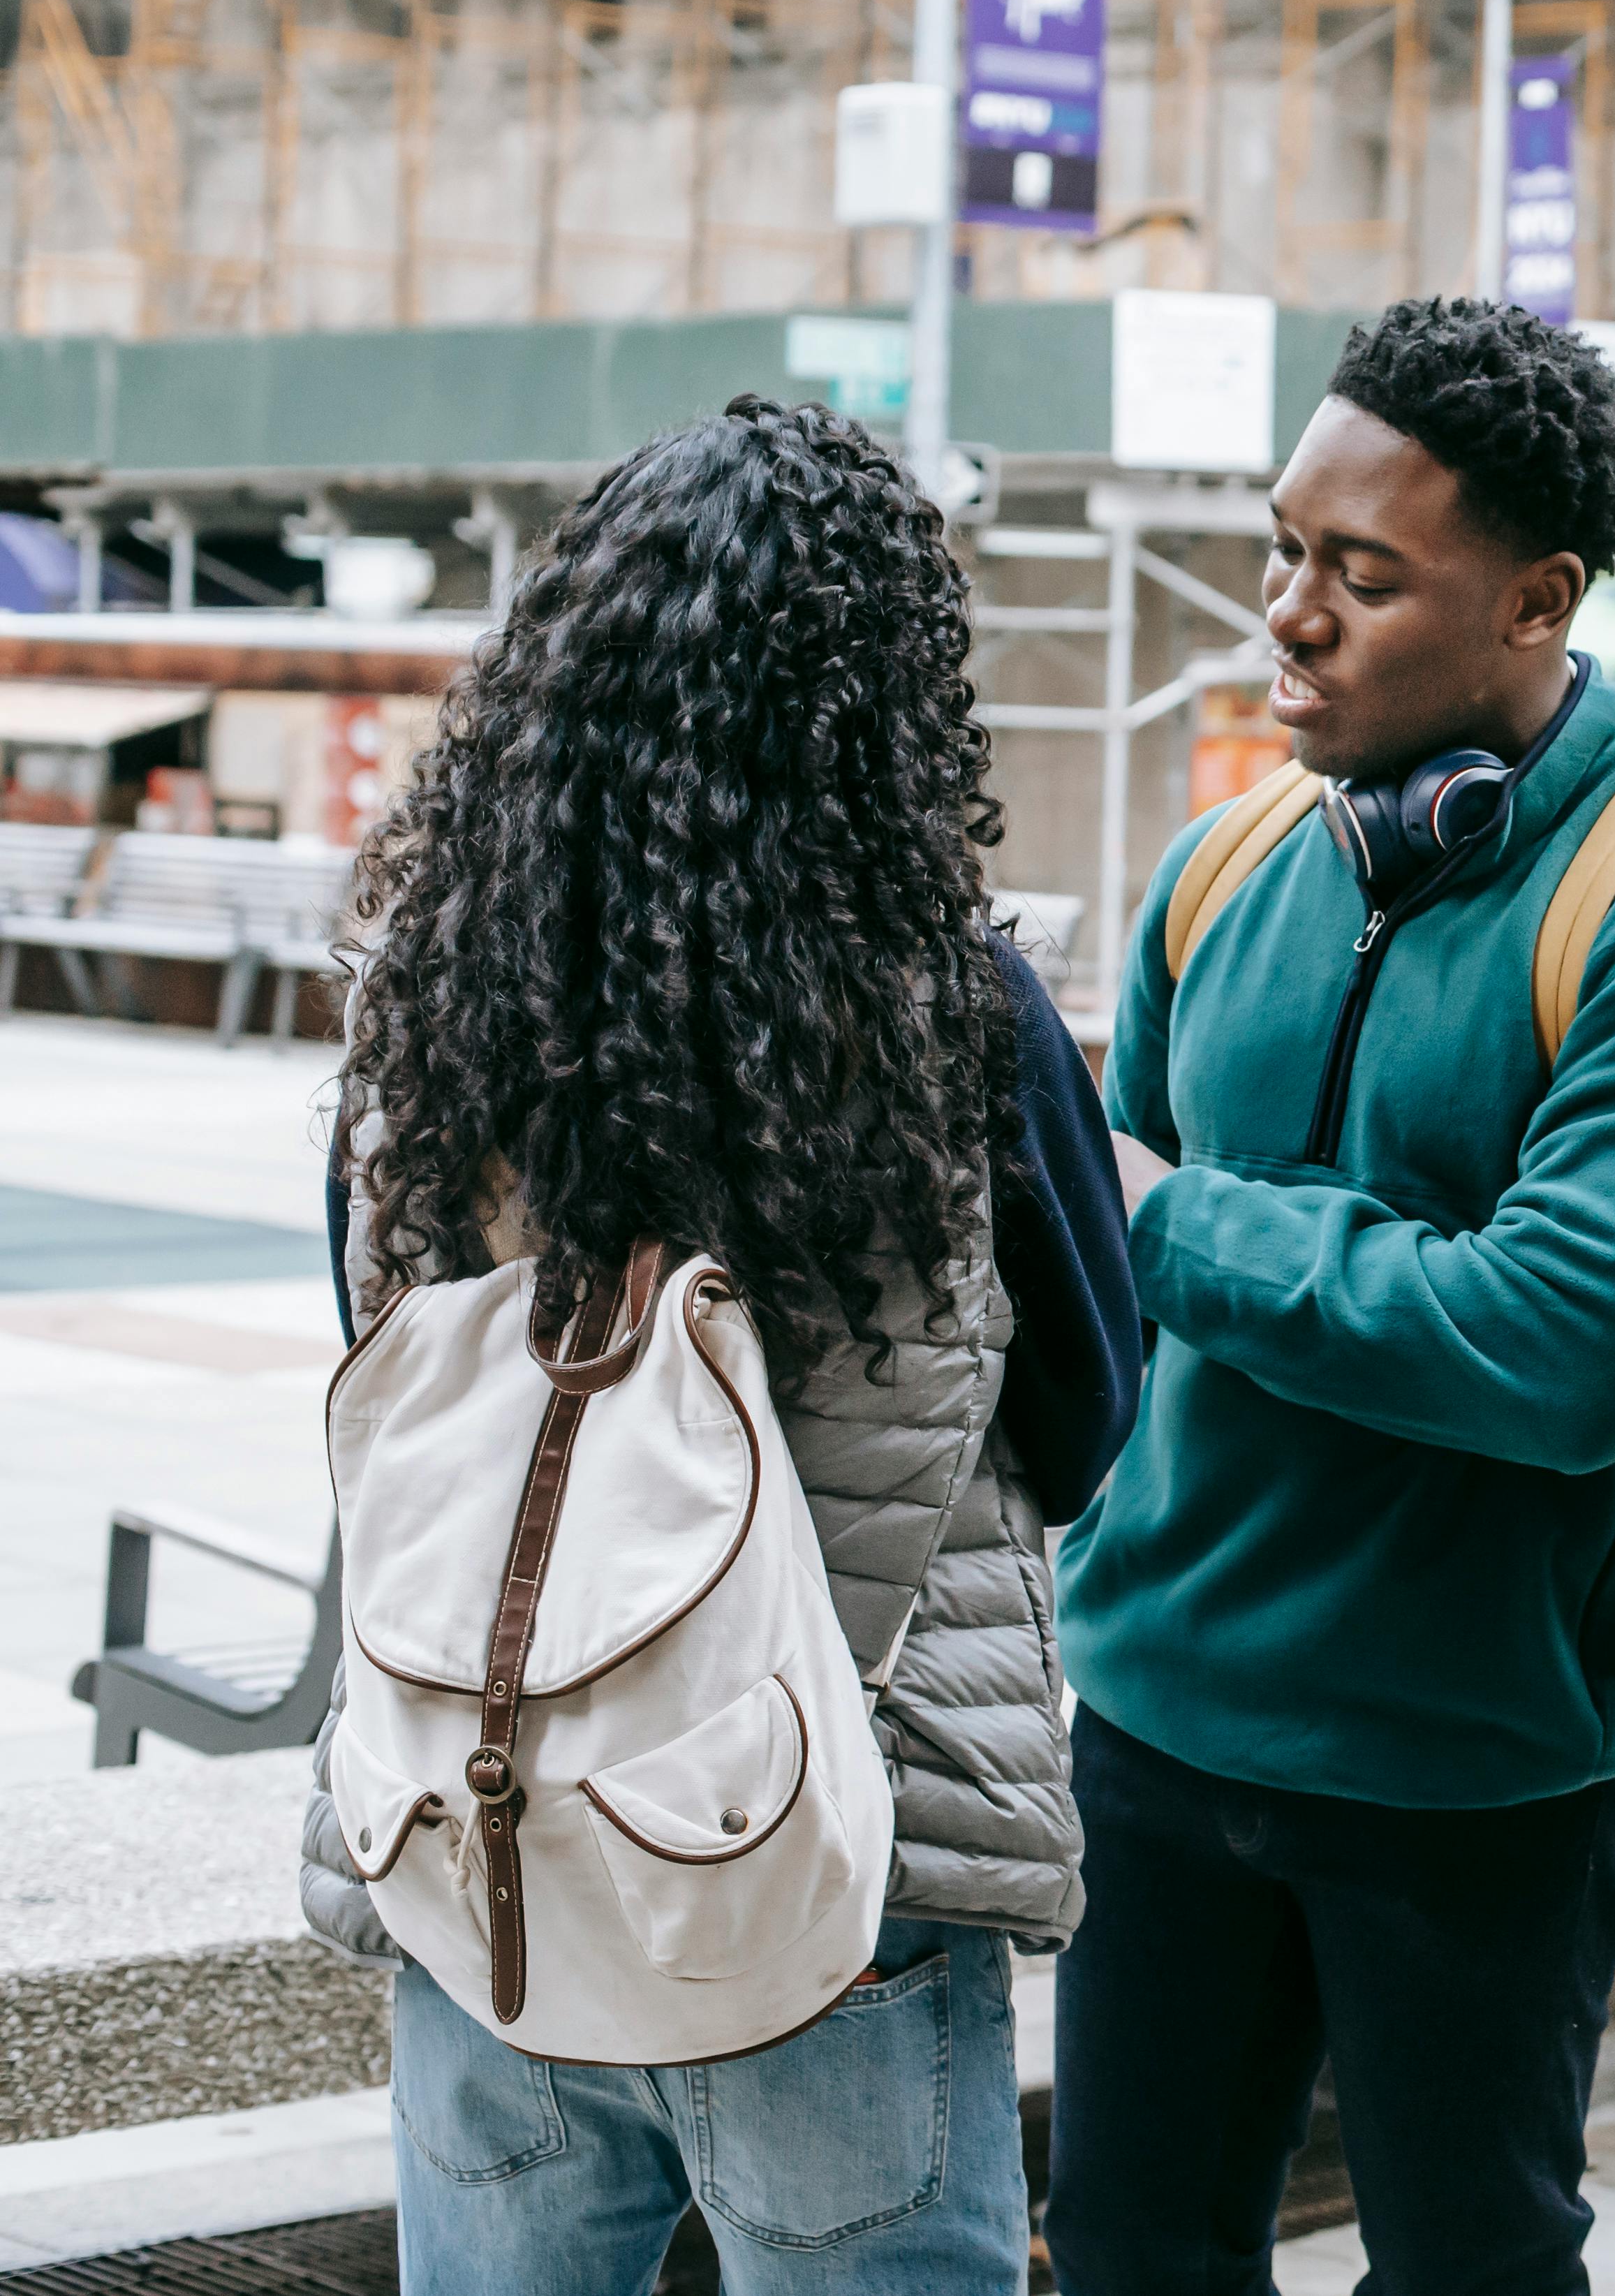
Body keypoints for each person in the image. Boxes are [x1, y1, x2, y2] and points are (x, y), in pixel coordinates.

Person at [298, 397, 1142, 2296]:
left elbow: (374, 1375)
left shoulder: (421, 1017)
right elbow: (1088, 1412)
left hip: (484, 1831)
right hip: (835, 1857)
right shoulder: (960, 1020)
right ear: (885, 702)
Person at [1047, 299, 1615, 2295]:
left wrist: (1168, 1220)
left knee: (1470, 2260)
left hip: (1484, 1759)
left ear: (1537, 601)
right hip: (1159, 1708)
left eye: (1362, 574)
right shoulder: (1223, 864)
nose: (1287, 614)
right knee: (1130, 2248)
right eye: (1283, 549)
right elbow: (1102, 1281)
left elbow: (1559, 1352)